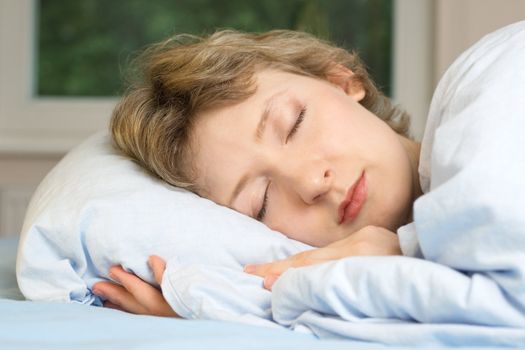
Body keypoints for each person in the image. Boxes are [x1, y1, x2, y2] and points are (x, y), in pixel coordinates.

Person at [92, 23, 525, 323]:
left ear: (342, 81)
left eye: (294, 123)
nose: (309, 182)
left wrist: (404, 251)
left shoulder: (487, 84)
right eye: (259, 202)